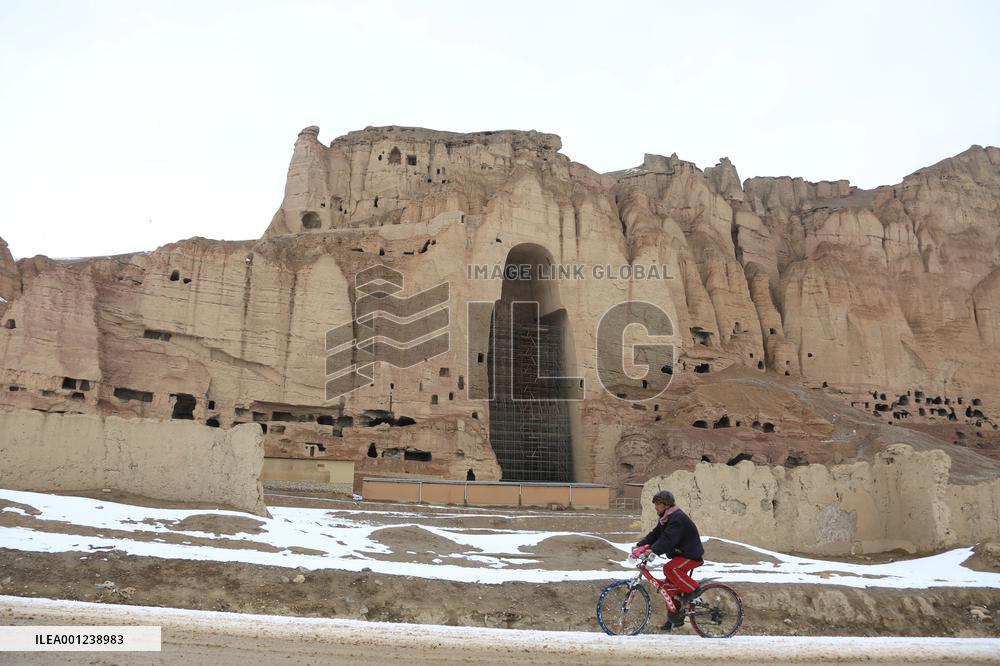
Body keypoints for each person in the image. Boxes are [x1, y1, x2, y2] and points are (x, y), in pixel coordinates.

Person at [630, 490, 704, 630]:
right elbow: (655, 534)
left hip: (691, 555)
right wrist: (639, 546)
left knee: (669, 569)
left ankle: (693, 590)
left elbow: (668, 539)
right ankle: (674, 620)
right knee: (669, 589)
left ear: (666, 505)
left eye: (658, 504)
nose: (655, 507)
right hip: (680, 555)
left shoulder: (677, 519)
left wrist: (653, 550)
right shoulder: (666, 518)